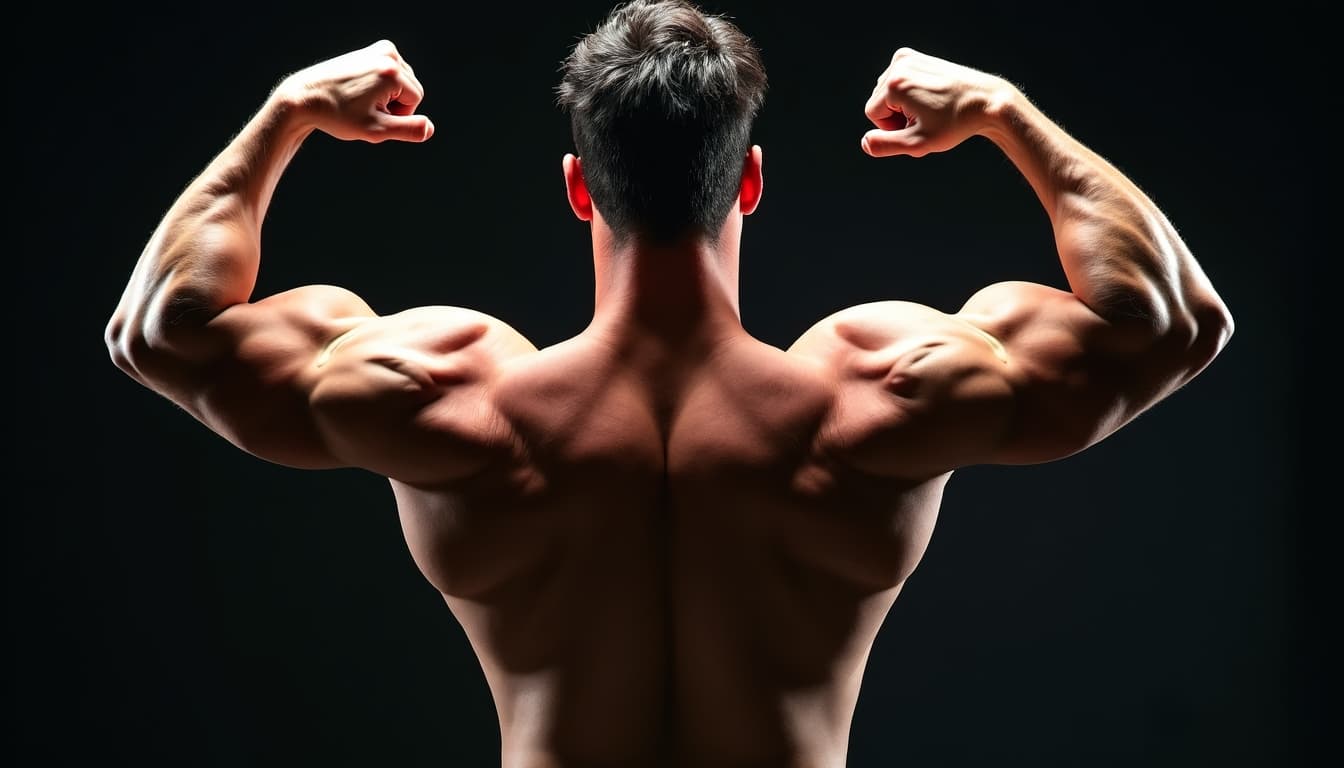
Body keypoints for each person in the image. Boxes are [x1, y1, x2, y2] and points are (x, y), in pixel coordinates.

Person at [105, 0, 1233, 764]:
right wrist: (1001, 110)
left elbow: (161, 331)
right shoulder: (877, 391)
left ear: (577, 189)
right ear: (748, 183)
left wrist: (290, 109)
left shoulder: (448, 393)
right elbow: (1171, 323)